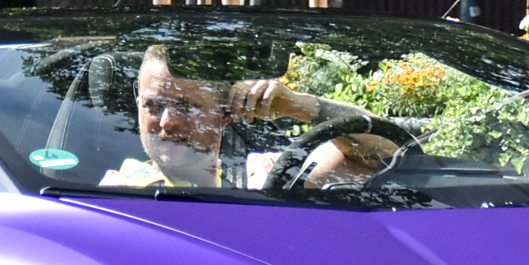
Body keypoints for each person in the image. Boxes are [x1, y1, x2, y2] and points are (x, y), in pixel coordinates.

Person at [98, 46, 392, 190]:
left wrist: (300, 106)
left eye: (187, 107)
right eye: (153, 106)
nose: (166, 122)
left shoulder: (266, 178)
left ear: (226, 113)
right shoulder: (118, 195)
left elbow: (390, 152)